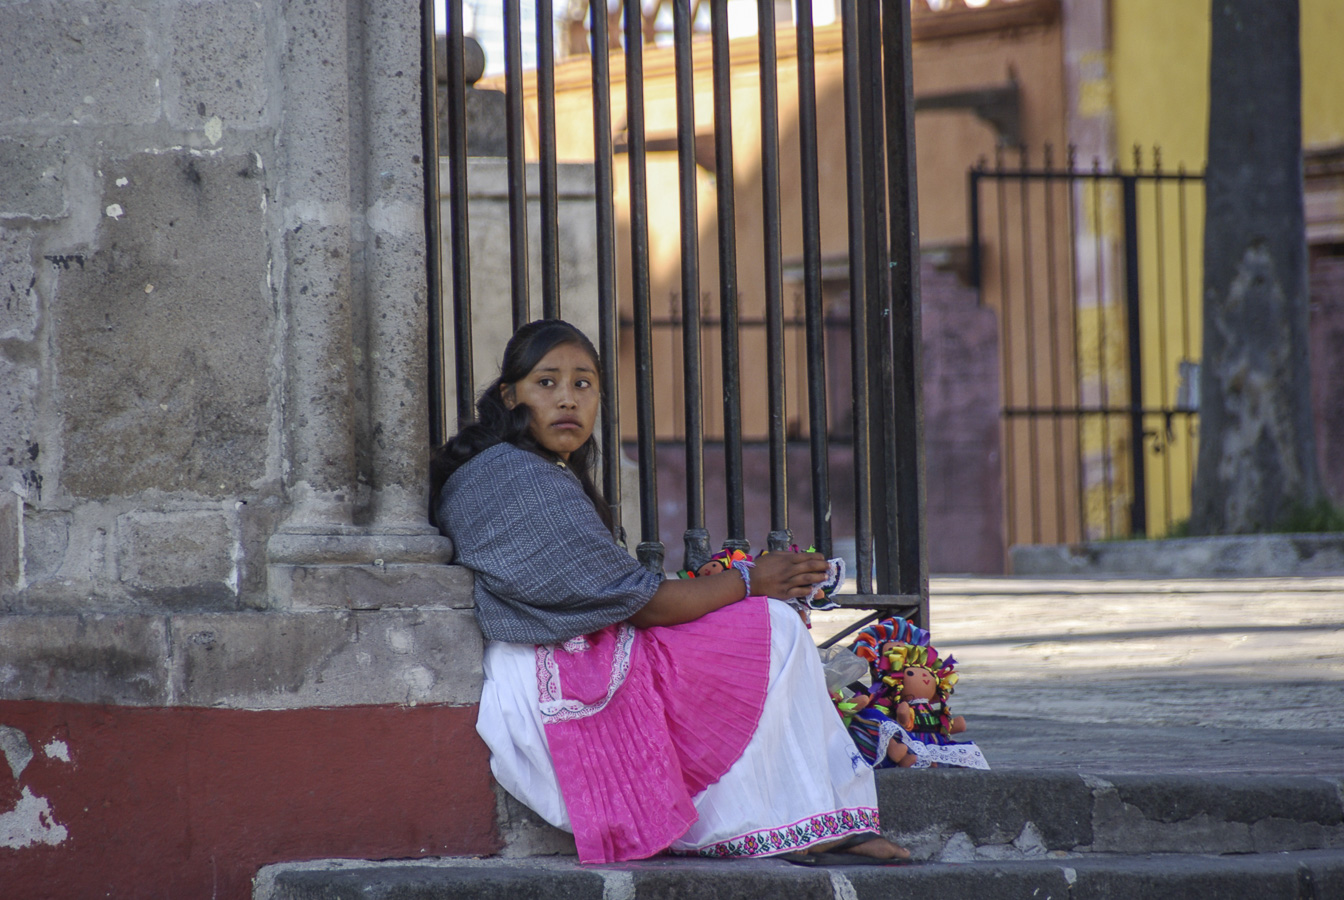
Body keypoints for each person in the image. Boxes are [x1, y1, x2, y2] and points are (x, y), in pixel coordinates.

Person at [431, 319, 908, 866]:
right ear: (510, 395)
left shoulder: (523, 469)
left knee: (767, 628)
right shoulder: (514, 476)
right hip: (551, 678)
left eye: (583, 384)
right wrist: (752, 580)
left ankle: (804, 819)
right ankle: (784, 822)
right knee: (769, 627)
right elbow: (647, 603)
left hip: (577, 651)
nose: (567, 399)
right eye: (547, 383)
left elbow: (621, 596)